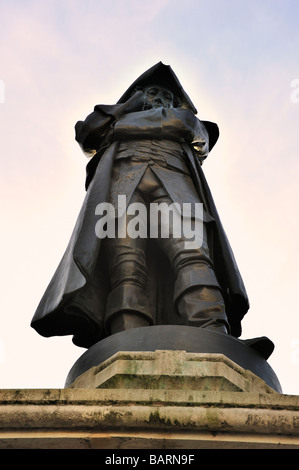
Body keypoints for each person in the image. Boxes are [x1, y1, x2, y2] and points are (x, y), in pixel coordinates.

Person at [31, 62, 249, 348]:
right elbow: (89, 135)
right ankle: (127, 339)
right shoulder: (112, 116)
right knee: (126, 266)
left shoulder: (185, 119)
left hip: (177, 190)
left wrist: (121, 127)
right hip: (122, 189)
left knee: (193, 257)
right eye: (154, 93)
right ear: (139, 95)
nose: (162, 99)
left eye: (168, 97)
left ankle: (214, 335)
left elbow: (187, 127)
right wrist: (126, 108)